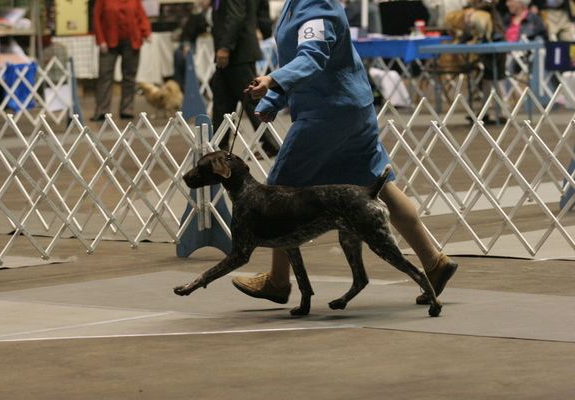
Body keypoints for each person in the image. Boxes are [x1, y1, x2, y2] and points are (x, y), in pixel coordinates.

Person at [232, 0, 458, 306]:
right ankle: (434, 262)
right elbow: (298, 62)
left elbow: (312, 58)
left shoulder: (318, 6)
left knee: (278, 191)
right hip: (345, 108)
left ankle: (278, 281)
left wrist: (273, 81)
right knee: (378, 186)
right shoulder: (294, 5)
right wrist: (273, 99)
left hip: (329, 113)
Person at [210, 0, 279, 157]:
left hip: (237, 53)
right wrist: (265, 30)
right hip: (237, 53)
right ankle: (220, 148)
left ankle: (271, 143)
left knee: (252, 99)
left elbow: (235, 16)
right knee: (222, 102)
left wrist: (225, 47)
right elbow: (262, 9)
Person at [91, 0, 151, 121]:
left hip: (131, 40)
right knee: (104, 75)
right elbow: (96, 18)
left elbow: (141, 15)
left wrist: (146, 32)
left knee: (129, 77)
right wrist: (100, 40)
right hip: (108, 41)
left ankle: (127, 110)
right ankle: (102, 111)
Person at [172, 0, 212, 91]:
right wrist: (186, 44)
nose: (202, 1)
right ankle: (180, 88)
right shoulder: (197, 15)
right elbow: (187, 33)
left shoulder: (217, 13)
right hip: (197, 45)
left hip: (213, 47)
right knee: (179, 54)